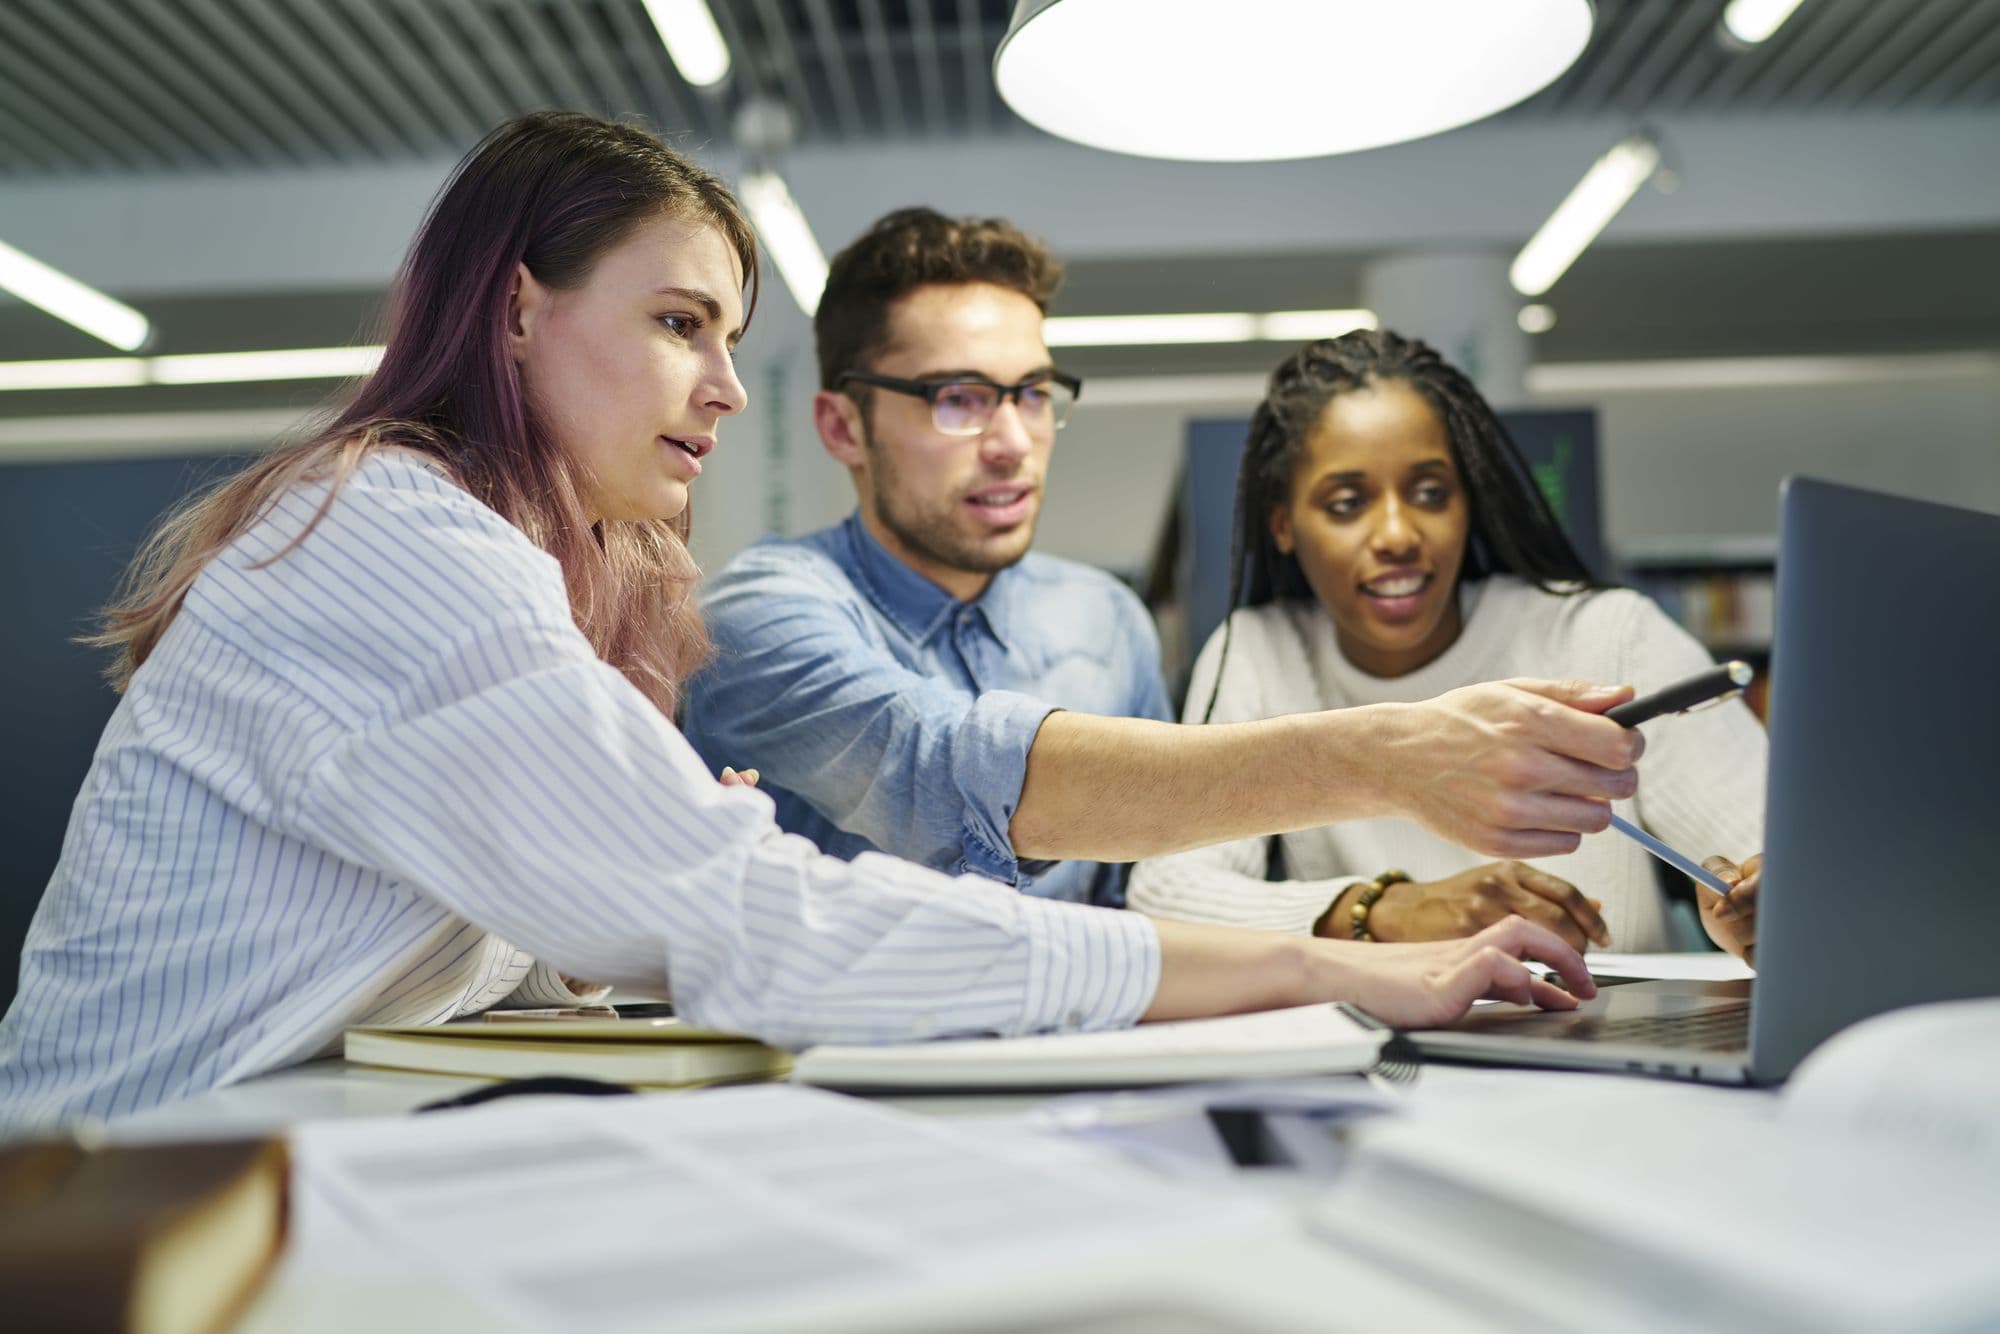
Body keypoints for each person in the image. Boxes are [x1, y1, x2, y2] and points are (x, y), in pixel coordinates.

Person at [0, 116, 1598, 1133]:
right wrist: (1322, 962)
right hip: (101, 1208)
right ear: (514, 310)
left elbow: (496, 935)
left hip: (230, 1160)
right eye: (680, 322)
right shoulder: (392, 537)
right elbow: (756, 922)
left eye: (730, 335)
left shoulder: (458, 541)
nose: (719, 385)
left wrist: (632, 874)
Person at [684, 208, 1647, 912]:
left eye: (1031, 392)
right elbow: (942, 766)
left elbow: (1148, 900)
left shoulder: (1101, 619)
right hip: (837, 1083)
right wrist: (1394, 757)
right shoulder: (761, 615)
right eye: (957, 399)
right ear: (841, 424)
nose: (1013, 441)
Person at [1129, 330, 1766, 961]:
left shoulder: (1606, 635)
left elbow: (1776, 856)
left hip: (1614, 1044)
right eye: (1348, 502)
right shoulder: (1261, 651)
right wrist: (1388, 909)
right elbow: (1167, 892)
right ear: (1283, 525)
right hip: (1387, 1050)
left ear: (1469, 503)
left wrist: (1757, 908)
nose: (1399, 534)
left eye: (1431, 492)